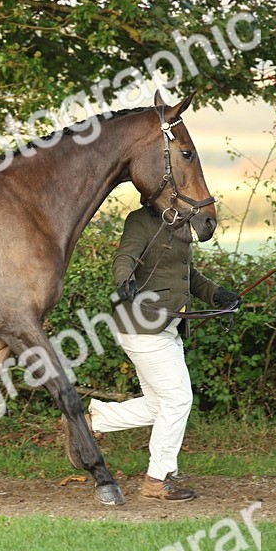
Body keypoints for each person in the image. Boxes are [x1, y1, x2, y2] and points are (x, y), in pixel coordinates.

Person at [86, 203, 238, 502]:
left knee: (160, 405)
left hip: (166, 326)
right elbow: (124, 257)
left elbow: (186, 275)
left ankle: (92, 422)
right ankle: (158, 479)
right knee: (178, 399)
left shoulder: (179, 222)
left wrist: (217, 293)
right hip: (141, 326)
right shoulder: (141, 221)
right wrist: (124, 282)